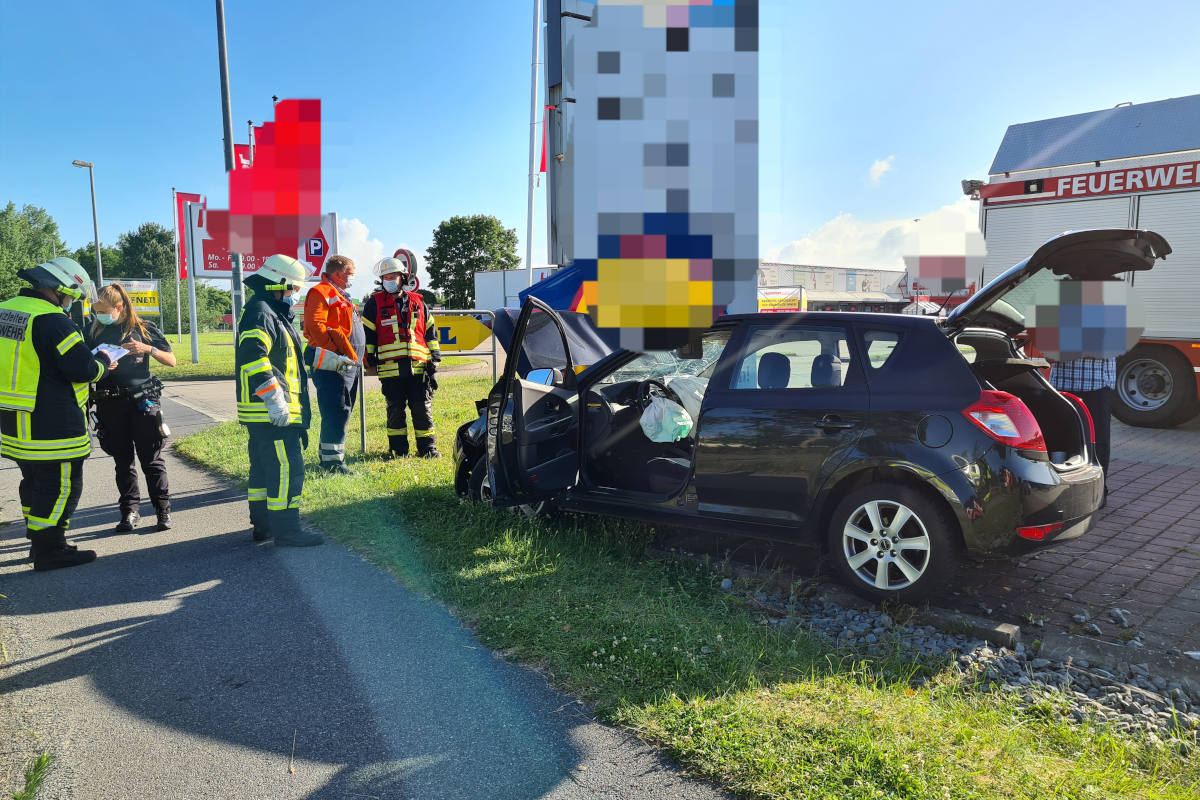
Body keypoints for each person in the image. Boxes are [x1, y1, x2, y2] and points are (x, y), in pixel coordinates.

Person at [0, 257, 115, 571]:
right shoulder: (54, 320)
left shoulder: (5, 309)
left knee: (34, 481)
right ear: (59, 289)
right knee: (62, 485)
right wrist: (104, 362)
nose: (70, 303)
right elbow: (83, 368)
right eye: (71, 297)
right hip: (51, 423)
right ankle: (50, 550)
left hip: (13, 419)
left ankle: (38, 542)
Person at [234, 254, 322, 546]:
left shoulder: (269, 312)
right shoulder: (263, 312)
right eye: (293, 289)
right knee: (287, 470)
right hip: (273, 414)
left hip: (265, 415)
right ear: (278, 284)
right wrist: (274, 399)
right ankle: (287, 530)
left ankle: (264, 526)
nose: (295, 295)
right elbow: (253, 357)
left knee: (263, 471)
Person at [85, 283, 177, 532]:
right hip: (110, 404)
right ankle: (129, 512)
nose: (99, 315)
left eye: (104, 310)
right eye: (96, 310)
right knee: (122, 462)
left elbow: (171, 360)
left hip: (142, 402)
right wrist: (100, 365)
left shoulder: (144, 329)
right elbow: (83, 364)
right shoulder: (93, 330)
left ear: (119, 307)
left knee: (152, 460)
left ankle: (163, 511)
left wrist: (148, 348)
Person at [362, 250, 442, 458]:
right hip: (390, 368)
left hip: (419, 367)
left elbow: (430, 332)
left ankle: (427, 449)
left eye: (393, 277)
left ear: (403, 277)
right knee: (395, 410)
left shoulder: (418, 301)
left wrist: (435, 357)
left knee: (422, 408)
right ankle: (398, 451)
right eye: (385, 277)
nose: (389, 281)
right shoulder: (374, 303)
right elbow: (367, 336)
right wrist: (369, 361)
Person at [302, 254, 364, 474]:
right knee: (335, 411)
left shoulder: (341, 295)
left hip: (346, 365)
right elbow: (315, 326)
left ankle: (332, 457)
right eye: (351, 274)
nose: (353, 278)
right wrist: (336, 353)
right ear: (338, 274)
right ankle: (332, 463)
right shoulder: (320, 292)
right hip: (332, 365)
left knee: (342, 410)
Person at [1049, 355, 1115, 505]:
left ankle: (1096, 494)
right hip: (1061, 385)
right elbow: (1050, 352)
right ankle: (1059, 494)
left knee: (1096, 443)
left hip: (1096, 386)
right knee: (1058, 442)